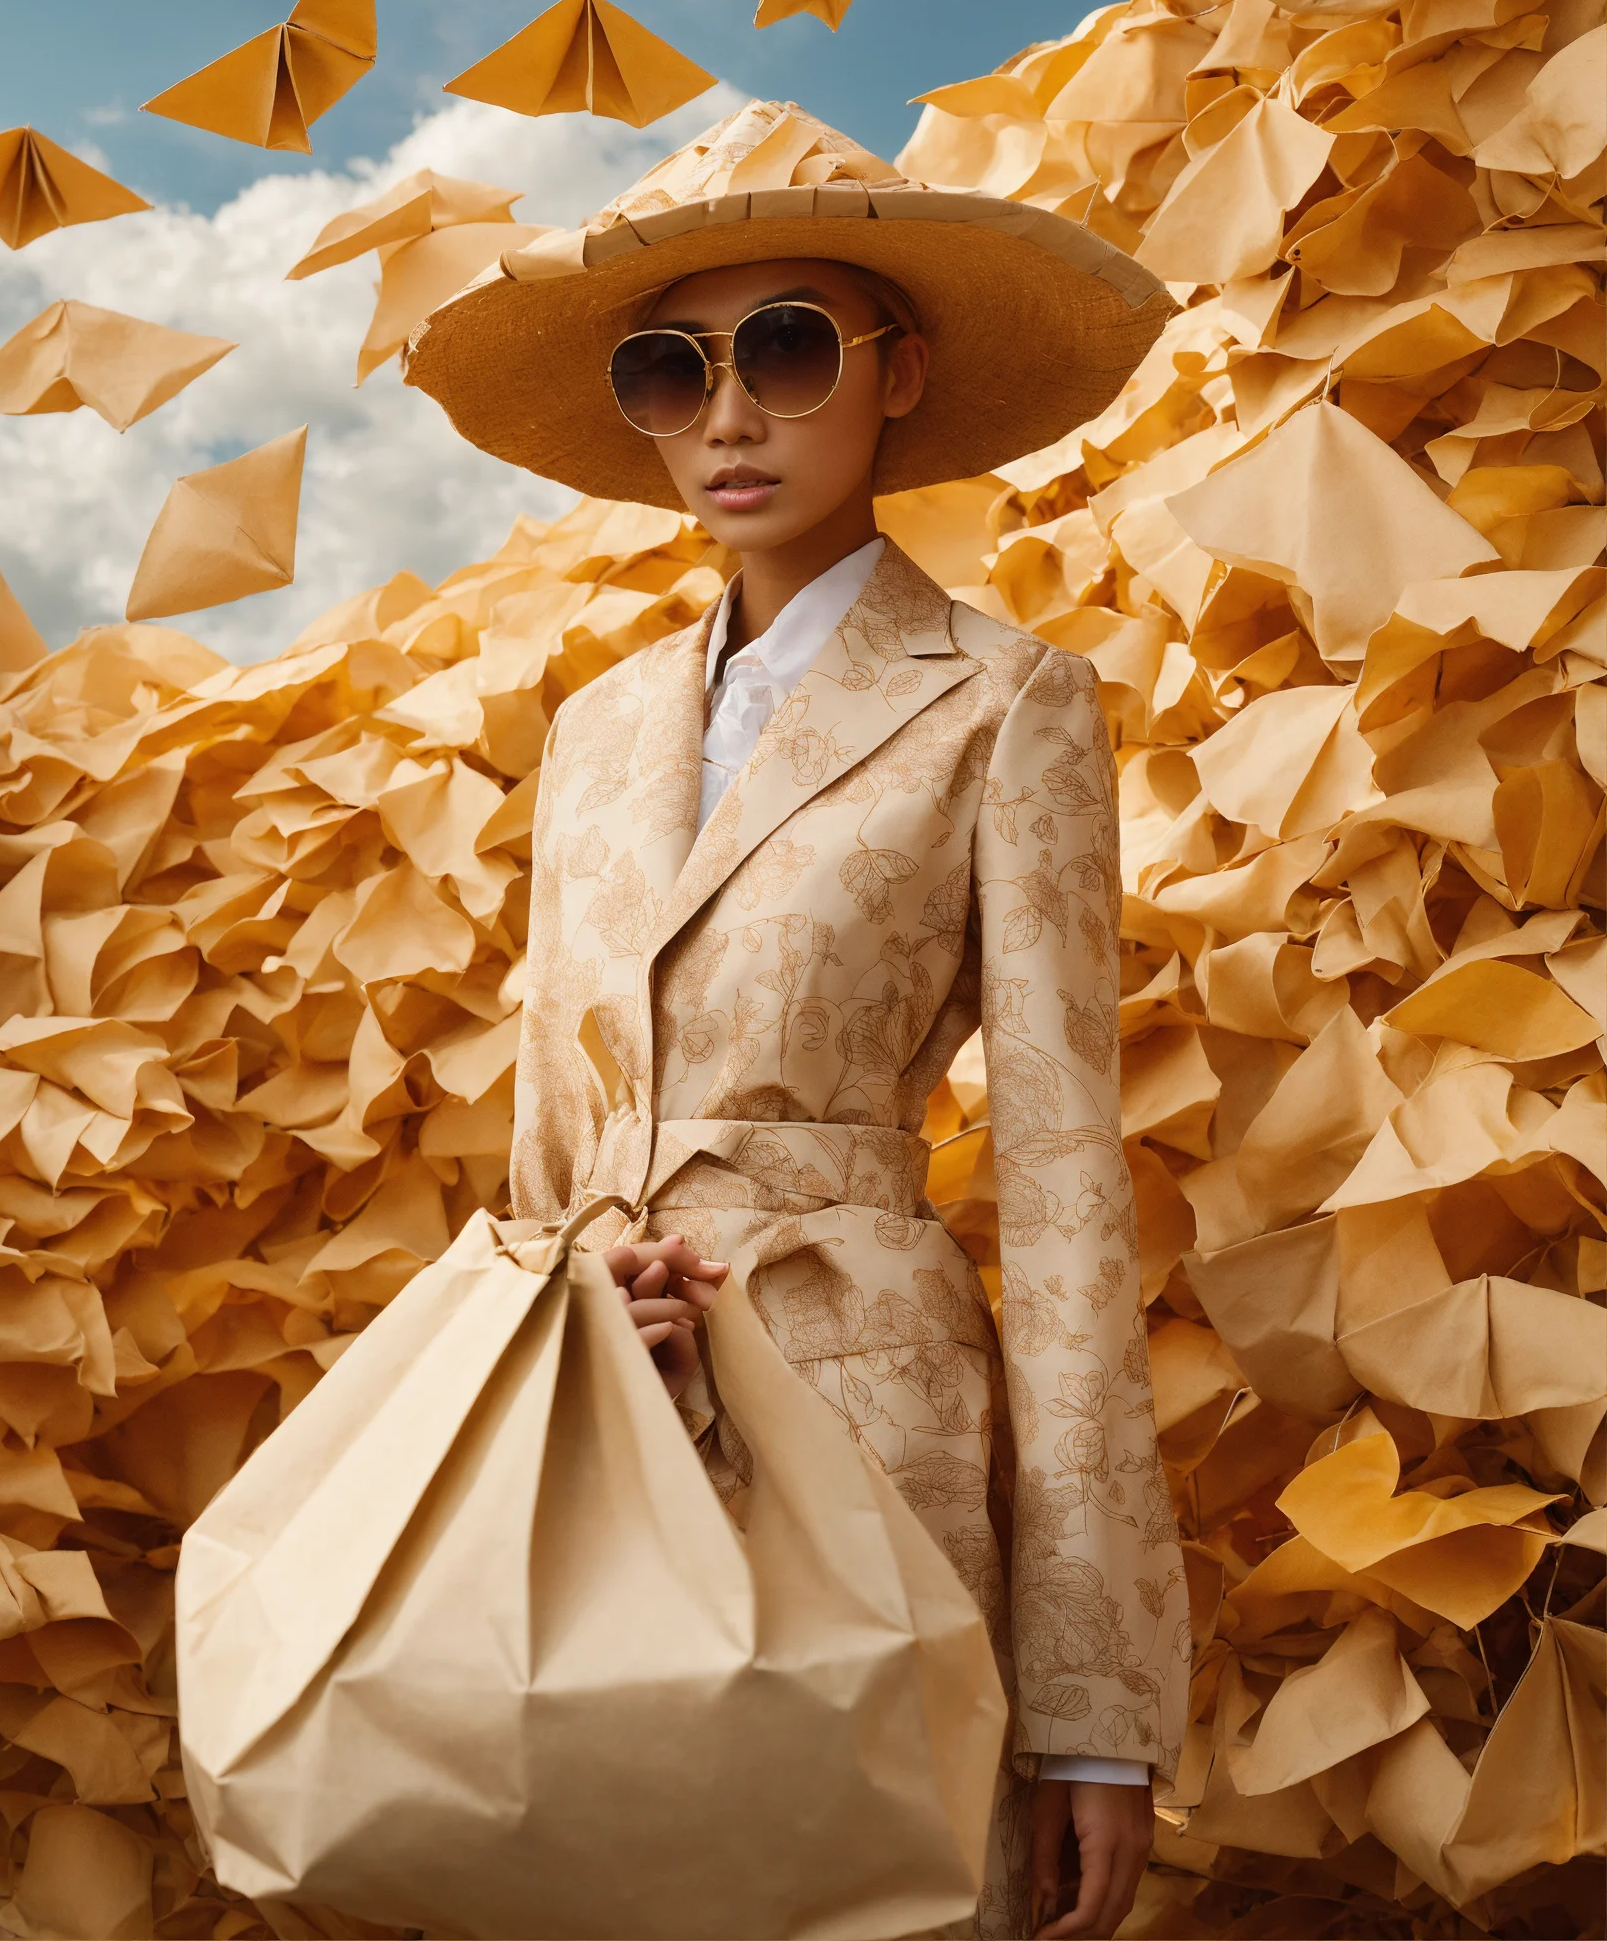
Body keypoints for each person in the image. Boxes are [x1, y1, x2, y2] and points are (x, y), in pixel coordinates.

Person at [405, 100, 1191, 1940]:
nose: (731, 416)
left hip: (869, 1432)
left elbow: (1067, 1194)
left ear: (897, 371)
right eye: (671, 370)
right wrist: (557, 1312)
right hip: (602, 1422)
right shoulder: (594, 732)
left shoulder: (1008, 700)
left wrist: (1093, 1705)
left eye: (784, 349)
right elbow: (541, 1157)